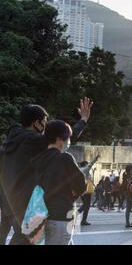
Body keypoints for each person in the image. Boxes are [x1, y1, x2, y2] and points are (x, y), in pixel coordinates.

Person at [0, 98, 92, 245]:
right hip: (23, 204)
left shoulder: (8, 142)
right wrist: (83, 120)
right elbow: (62, 136)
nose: (45, 126)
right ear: (36, 123)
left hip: (5, 202)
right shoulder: (32, 140)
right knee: (23, 240)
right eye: (44, 121)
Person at [31, 121, 86, 245]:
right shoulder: (65, 158)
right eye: (67, 138)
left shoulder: (37, 159)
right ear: (59, 139)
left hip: (39, 217)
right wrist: (71, 196)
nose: (68, 141)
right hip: (62, 215)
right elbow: (81, 185)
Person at [78, 155, 99, 226]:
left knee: (85, 205)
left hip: (82, 190)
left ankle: (75, 216)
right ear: (85, 165)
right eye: (87, 164)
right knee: (87, 206)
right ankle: (83, 220)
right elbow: (89, 166)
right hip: (86, 191)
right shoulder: (84, 170)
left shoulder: (80, 170)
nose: (88, 166)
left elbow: (89, 180)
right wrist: (95, 159)